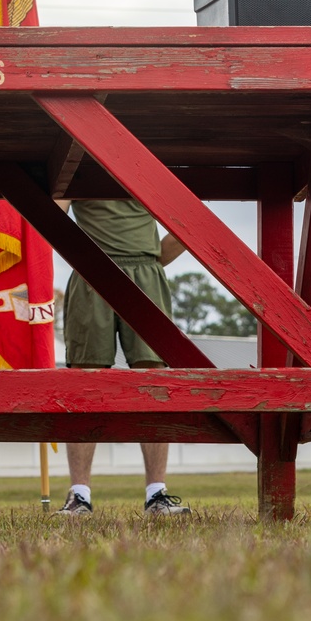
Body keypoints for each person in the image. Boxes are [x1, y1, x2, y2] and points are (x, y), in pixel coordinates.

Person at [55, 198, 192, 517]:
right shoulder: (74, 155)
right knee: (84, 384)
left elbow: (187, 223)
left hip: (145, 272)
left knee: (154, 382)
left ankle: (157, 494)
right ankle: (79, 495)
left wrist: (150, 263)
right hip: (91, 273)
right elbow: (51, 213)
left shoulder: (152, 154)